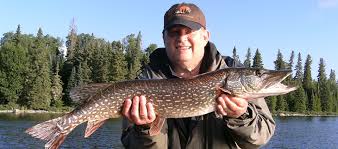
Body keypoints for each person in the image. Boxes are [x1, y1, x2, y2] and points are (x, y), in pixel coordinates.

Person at [121, 2, 275, 149]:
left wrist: (241, 116)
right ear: (164, 37)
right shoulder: (145, 81)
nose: (182, 39)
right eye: (174, 32)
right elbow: (132, 144)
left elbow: (260, 137)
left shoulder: (233, 72)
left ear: (205, 36)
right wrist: (145, 129)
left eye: (189, 32)